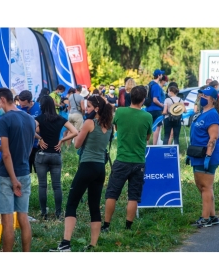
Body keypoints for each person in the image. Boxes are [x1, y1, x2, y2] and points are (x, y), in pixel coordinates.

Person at [50, 95, 113, 252]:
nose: (87, 110)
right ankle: (92, 245)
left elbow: (77, 145)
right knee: (94, 206)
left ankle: (65, 243)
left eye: (89, 107)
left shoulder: (89, 123)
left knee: (72, 202)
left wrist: (80, 132)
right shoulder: (109, 124)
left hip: (87, 165)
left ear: (96, 108)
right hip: (100, 168)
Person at [0, 87, 35, 252]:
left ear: (2, 100)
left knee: (7, 222)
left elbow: (7, 155)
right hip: (25, 171)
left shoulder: (5, 120)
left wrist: (13, 180)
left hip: (8, 176)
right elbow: (23, 147)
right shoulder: (29, 119)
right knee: (23, 218)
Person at [101, 85, 153, 232]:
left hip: (122, 159)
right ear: (143, 99)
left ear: (130, 97)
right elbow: (147, 137)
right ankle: (128, 227)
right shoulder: (147, 116)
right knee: (133, 196)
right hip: (138, 160)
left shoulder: (120, 112)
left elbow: (116, 128)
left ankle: (106, 225)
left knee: (112, 193)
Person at [34, 96, 78, 221]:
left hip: (42, 155)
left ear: (42, 106)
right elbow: (75, 131)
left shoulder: (39, 119)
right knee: (57, 186)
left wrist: (39, 138)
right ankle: (58, 214)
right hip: (56, 154)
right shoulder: (60, 119)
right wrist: (62, 140)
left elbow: (28, 129)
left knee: (42, 185)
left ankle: (44, 213)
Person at [186, 86, 219, 228]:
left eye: (205, 96)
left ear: (212, 99)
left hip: (207, 155)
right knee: (203, 187)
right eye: (201, 95)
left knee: (205, 187)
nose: (201, 97)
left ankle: (205, 218)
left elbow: (213, 138)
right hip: (197, 154)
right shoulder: (202, 113)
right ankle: (212, 216)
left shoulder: (212, 115)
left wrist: (208, 157)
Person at [17, 90, 41, 175]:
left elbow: (42, 126)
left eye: (24, 105)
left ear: (30, 102)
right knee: (26, 171)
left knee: (40, 171)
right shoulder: (18, 109)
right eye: (20, 103)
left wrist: (29, 129)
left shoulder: (39, 108)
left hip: (37, 144)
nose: (21, 106)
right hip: (24, 145)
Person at [146, 69, 165, 145]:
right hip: (156, 110)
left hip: (148, 109)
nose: (162, 76)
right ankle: (154, 145)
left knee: (148, 128)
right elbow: (155, 99)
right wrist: (162, 105)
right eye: (161, 74)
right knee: (157, 128)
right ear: (158, 76)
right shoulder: (156, 86)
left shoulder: (150, 84)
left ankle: (146, 145)